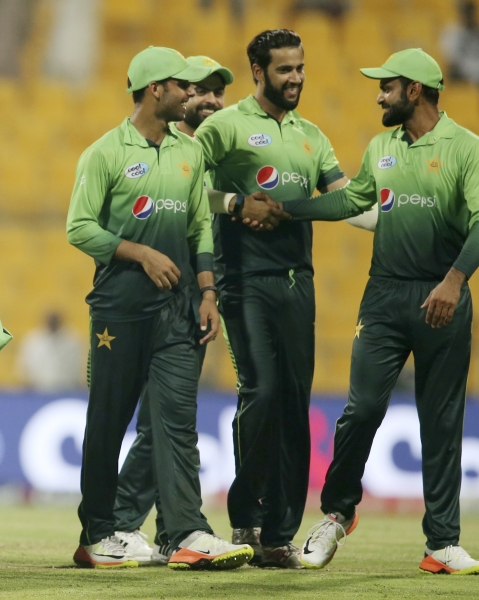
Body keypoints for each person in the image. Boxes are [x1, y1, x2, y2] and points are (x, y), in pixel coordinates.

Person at [281, 49, 479, 575]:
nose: (378, 95)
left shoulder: (466, 148)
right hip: (385, 296)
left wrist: (454, 281)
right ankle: (337, 515)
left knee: (440, 423)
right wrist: (289, 208)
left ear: (414, 90)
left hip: (444, 296)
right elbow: (353, 202)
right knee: (362, 409)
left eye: (386, 86)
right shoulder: (380, 146)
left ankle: (441, 543)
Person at [67, 46, 252, 570]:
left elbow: (198, 229)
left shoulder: (188, 153)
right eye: (181, 86)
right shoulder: (103, 152)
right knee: (107, 423)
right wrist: (140, 253)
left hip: (178, 311)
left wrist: (209, 292)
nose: (191, 94)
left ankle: (184, 531)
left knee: (176, 422)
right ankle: (97, 534)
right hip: (118, 311)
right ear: (155, 90)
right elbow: (78, 227)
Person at [192, 29, 350, 568]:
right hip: (244, 280)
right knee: (259, 390)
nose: (296, 78)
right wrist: (235, 202)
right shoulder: (225, 125)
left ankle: (280, 531)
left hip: (296, 282)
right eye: (285, 70)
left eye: (300, 68)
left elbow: (344, 199)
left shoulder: (313, 136)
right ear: (258, 72)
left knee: (292, 400)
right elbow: (184, 182)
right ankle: (247, 515)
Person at [110, 55, 234, 567]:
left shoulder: (214, 145)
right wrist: (235, 202)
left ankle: (132, 524)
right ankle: (158, 526)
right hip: (153, 295)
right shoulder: (166, 148)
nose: (208, 99)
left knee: (166, 418)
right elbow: (183, 203)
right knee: (167, 417)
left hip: (198, 289)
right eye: (198, 89)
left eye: (216, 93)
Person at [16, 312, 84, 392]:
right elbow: (23, 366)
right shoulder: (32, 340)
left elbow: (80, 366)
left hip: (67, 389)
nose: (52, 323)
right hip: (37, 391)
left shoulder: (73, 340)